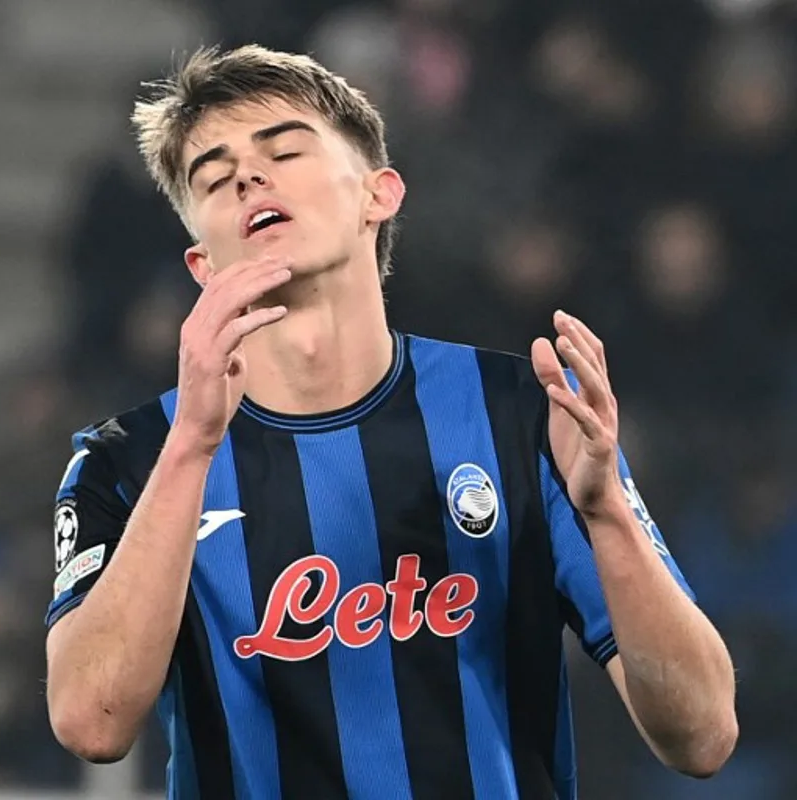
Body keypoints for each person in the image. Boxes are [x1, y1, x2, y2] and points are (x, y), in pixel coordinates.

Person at [43, 45, 737, 799]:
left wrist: (605, 517)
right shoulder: (128, 461)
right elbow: (91, 722)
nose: (247, 176)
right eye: (214, 176)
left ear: (380, 193)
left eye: (285, 150)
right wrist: (192, 450)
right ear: (202, 265)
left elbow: (702, 735)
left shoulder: (523, 415)